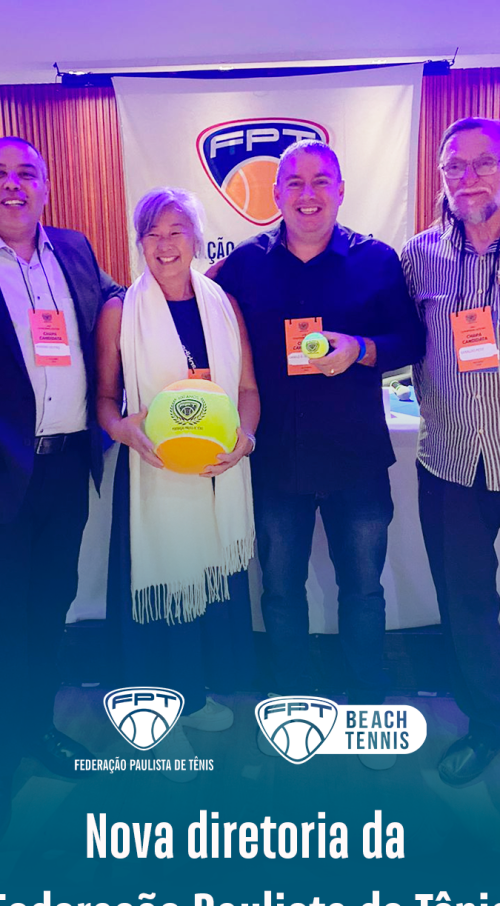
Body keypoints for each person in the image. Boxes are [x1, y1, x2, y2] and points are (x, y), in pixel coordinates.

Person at [213, 139, 423, 717]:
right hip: (276, 460)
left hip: (357, 459)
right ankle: (292, 704)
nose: (308, 194)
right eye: (295, 182)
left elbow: (411, 340)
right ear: (276, 193)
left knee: (364, 590)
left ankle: (368, 704)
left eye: (321, 181)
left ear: (341, 191)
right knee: (281, 593)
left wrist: (360, 348)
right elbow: (200, 312)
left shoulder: (376, 259)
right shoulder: (245, 264)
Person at [97, 187, 259, 768]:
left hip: (214, 473)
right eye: (153, 234)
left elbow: (247, 390)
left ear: (195, 239)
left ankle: (189, 698)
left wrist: (245, 438)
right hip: (156, 475)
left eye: (176, 232)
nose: (165, 245)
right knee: (164, 592)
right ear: (140, 242)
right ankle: (154, 718)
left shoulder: (223, 303)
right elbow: (106, 401)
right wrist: (124, 431)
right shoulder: (121, 311)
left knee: (202, 594)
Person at [0, 135, 125, 833]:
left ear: (46, 187)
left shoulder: (73, 249)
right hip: (4, 469)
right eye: (1, 174)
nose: (13, 184)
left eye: (26, 173)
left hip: (67, 464)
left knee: (49, 604)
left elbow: (114, 299)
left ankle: (36, 728)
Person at [402, 116, 500, 786]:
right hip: (451, 463)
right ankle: (487, 724)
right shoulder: (418, 257)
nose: (468, 177)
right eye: (454, 166)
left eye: (484, 163)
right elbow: (389, 333)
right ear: (440, 177)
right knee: (466, 604)